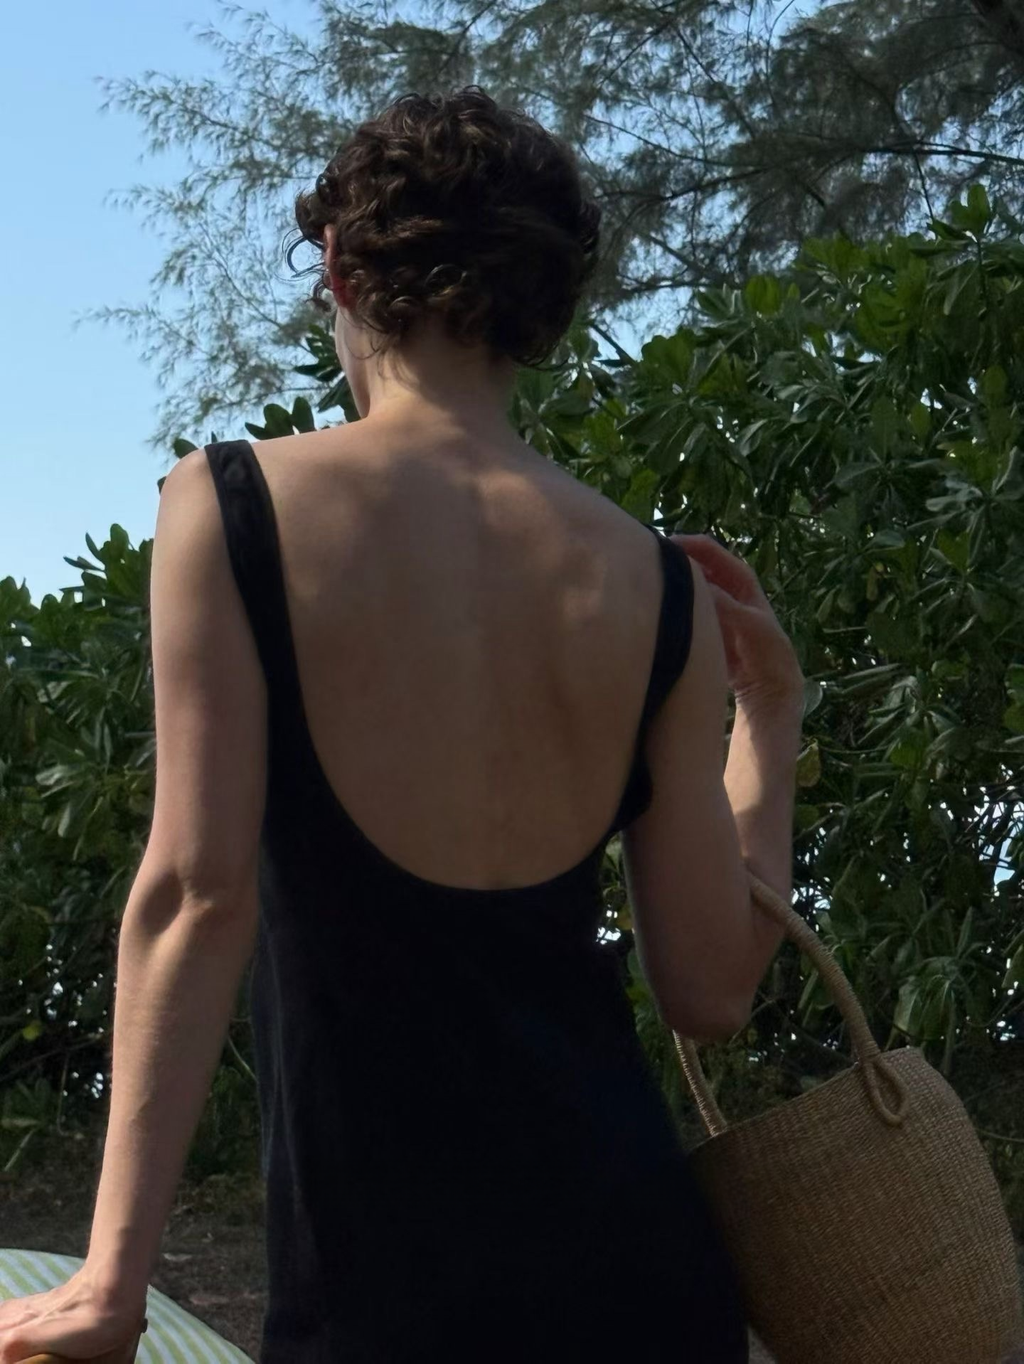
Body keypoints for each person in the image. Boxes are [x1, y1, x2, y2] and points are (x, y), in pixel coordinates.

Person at [0, 86, 804, 1364]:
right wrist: (770, 717)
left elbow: (197, 895)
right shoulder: (649, 581)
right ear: (545, 305)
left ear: (338, 267)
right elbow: (710, 989)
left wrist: (112, 1278)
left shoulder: (236, 504)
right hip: (640, 1283)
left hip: (382, 1290)